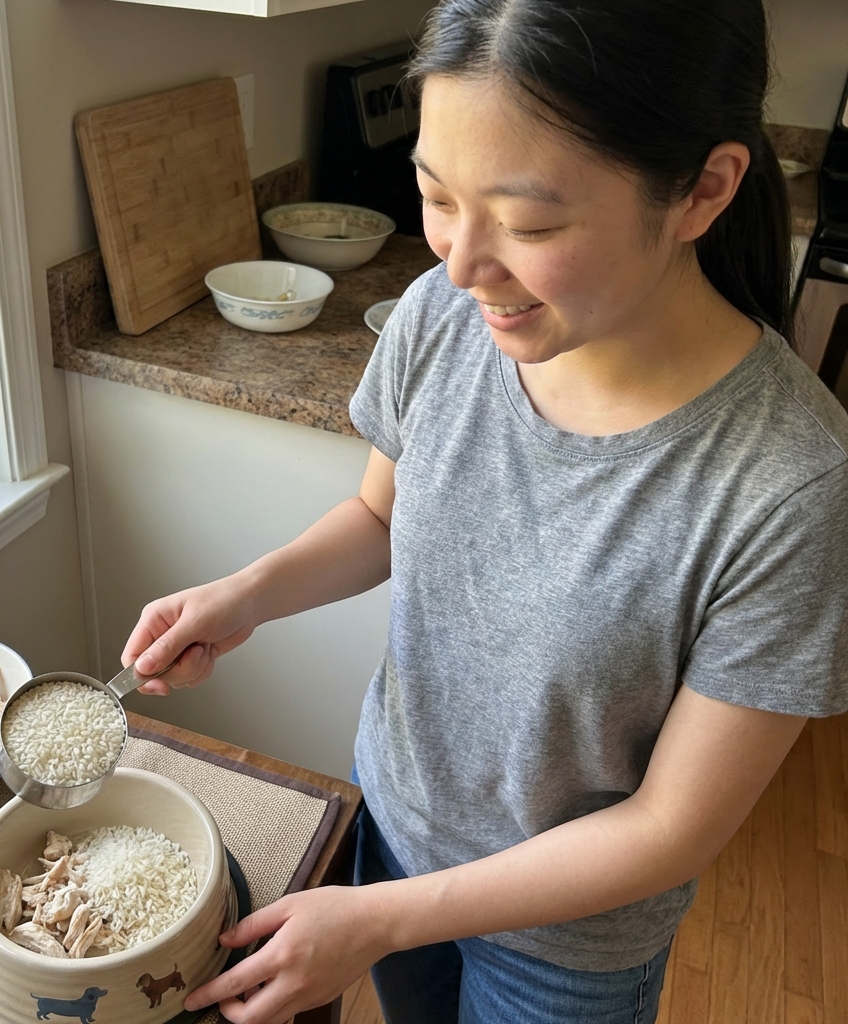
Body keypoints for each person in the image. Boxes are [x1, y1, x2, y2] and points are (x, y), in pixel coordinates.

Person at [122, 1, 848, 1021]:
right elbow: (379, 519)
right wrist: (246, 594)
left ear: (703, 190)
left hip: (569, 945)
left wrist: (383, 921)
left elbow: (669, 828)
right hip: (393, 831)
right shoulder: (439, 319)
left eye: (529, 222)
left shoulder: (787, 480)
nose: (462, 265)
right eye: (435, 196)